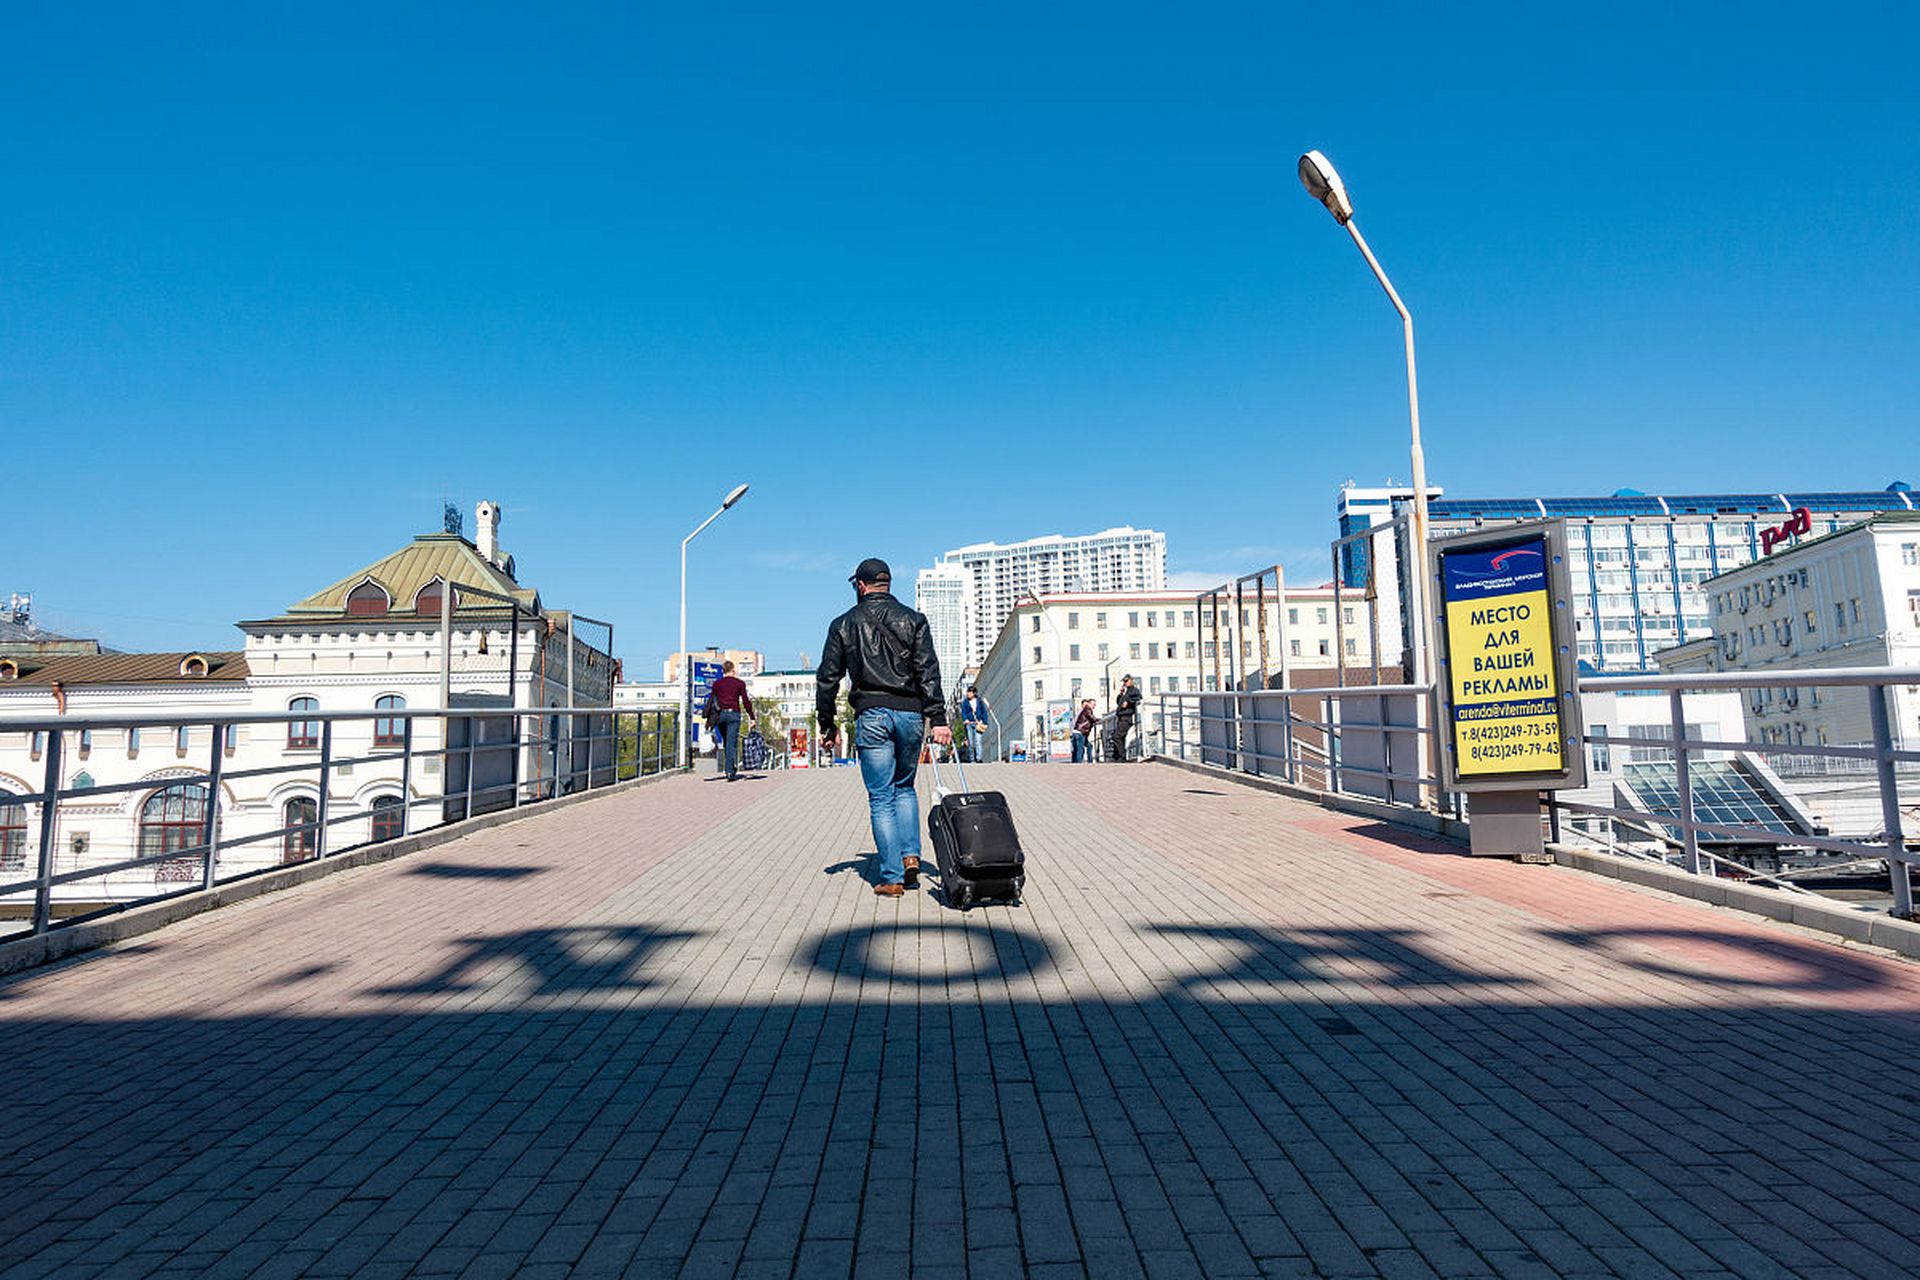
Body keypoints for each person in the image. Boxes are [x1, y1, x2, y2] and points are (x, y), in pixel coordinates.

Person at [816, 558, 951, 897]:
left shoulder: (843, 624)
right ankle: (910, 858)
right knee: (905, 788)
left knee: (881, 797)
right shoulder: (914, 619)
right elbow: (928, 671)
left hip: (871, 714)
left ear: (860, 586)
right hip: (910, 715)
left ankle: (890, 877)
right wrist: (938, 719)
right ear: (887, 584)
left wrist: (827, 724)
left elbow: (828, 679)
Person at [708, 661, 754, 781]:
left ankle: (730, 769)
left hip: (721, 716)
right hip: (734, 715)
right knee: (731, 743)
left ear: (723, 670)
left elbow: (712, 701)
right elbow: (746, 701)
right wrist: (752, 717)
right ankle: (729, 771)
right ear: (733, 670)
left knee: (726, 742)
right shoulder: (739, 683)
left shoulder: (717, 684)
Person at [1108, 674, 1142, 762]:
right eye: (1124, 682)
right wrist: (1121, 694)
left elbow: (1139, 699)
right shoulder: (1127, 691)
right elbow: (1118, 702)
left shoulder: (1134, 690)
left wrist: (1129, 702)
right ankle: (1118, 757)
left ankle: (1122, 756)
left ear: (1131, 680)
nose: (1125, 683)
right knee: (1120, 737)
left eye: (1126, 681)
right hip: (1121, 717)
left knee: (1116, 737)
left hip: (1127, 717)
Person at [959, 685, 991, 763]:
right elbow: (963, 712)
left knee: (978, 741)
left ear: (974, 693)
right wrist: (965, 719)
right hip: (969, 724)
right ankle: (972, 759)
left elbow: (984, 712)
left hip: (978, 724)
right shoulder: (965, 702)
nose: (968, 694)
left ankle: (979, 758)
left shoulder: (979, 701)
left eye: (969, 692)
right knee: (971, 743)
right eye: (967, 692)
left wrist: (985, 722)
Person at [1071, 697, 1098, 763]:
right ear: (1089, 704)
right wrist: (1098, 720)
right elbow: (1091, 717)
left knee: (1088, 746)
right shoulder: (1087, 709)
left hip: (1079, 732)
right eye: (1093, 704)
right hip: (1080, 731)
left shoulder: (1084, 710)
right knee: (1080, 749)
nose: (1094, 706)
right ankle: (1079, 763)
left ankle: (1088, 761)